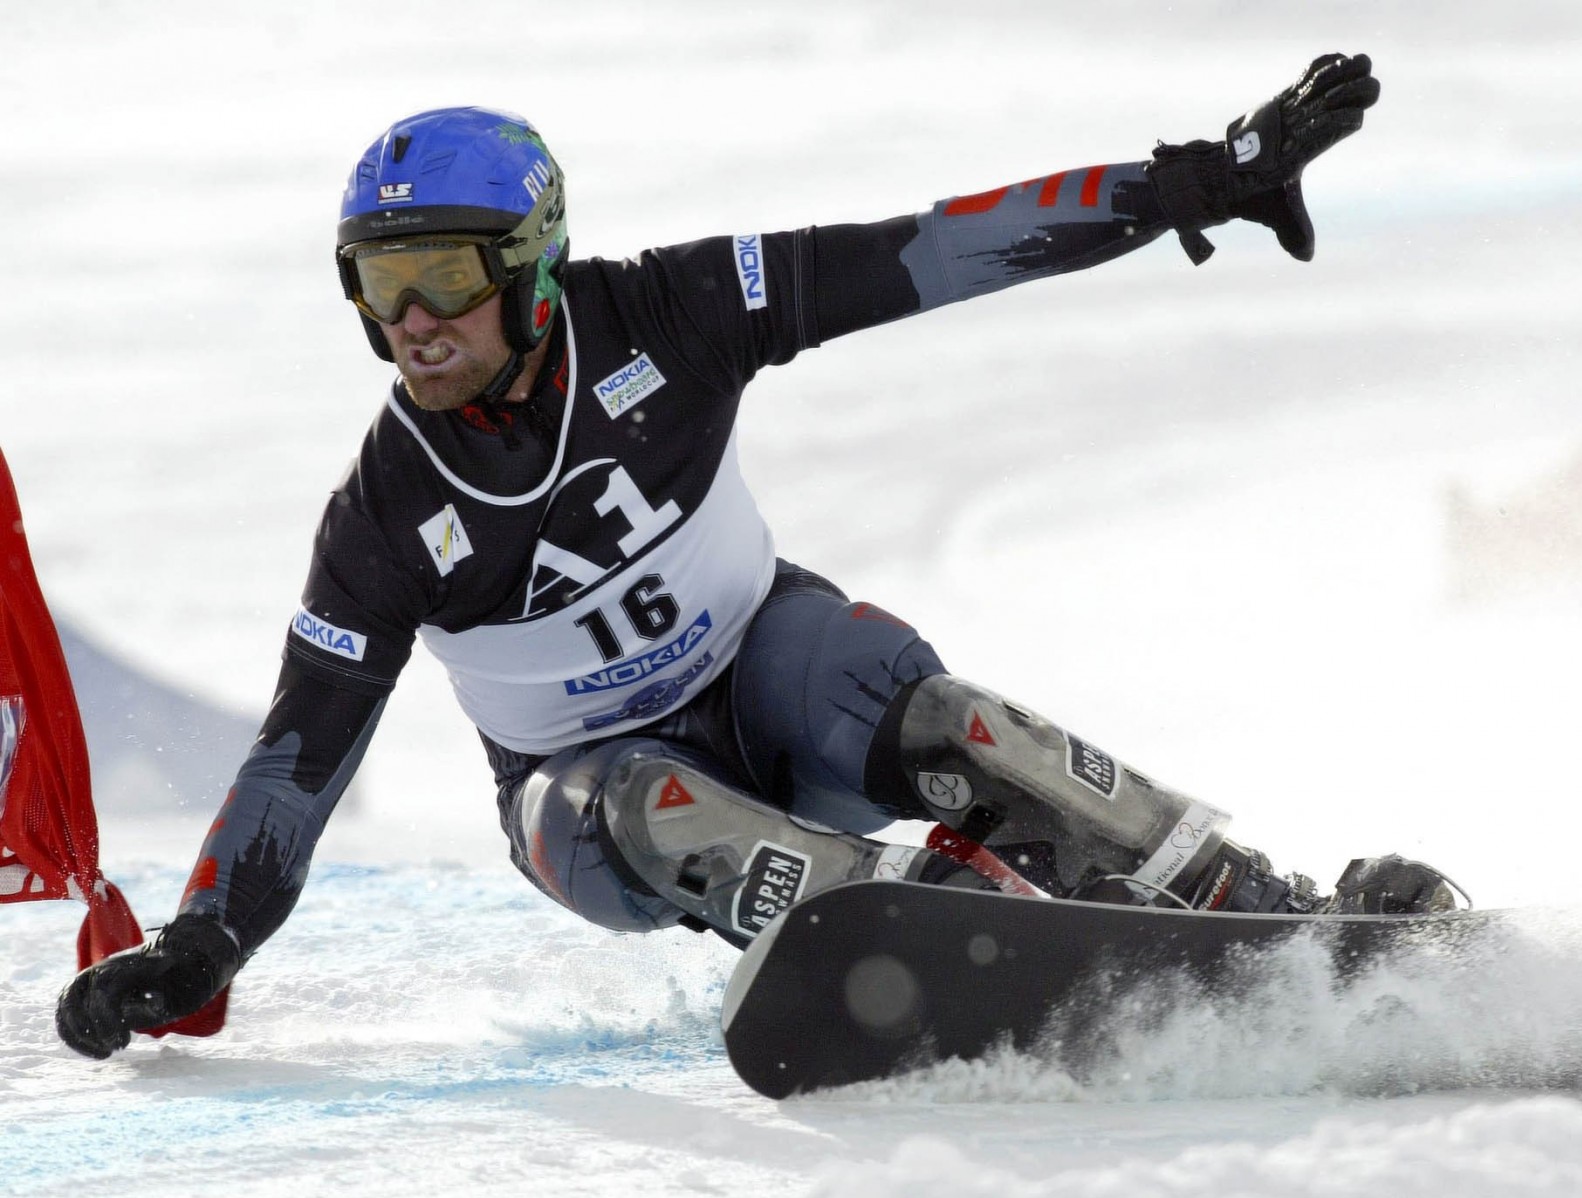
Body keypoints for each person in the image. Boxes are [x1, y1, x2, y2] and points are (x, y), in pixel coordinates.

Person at [57, 53, 1457, 1060]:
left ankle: (1261, 909)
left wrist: (1192, 183)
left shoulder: (668, 310)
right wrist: (201, 948)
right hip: (581, 801)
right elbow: (297, 762)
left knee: (951, 720)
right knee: (659, 799)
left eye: (445, 278)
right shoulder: (379, 516)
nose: (412, 320)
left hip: (772, 682)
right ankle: (925, 934)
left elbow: (932, 251)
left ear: (535, 268)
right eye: (377, 283)